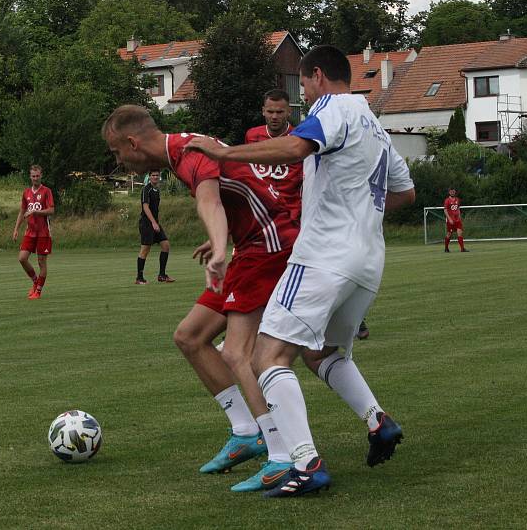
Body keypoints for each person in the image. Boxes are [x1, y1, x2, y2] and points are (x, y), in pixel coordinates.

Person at [186, 45, 416, 497]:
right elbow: (404, 192)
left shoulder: (333, 107)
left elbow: (294, 147)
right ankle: (378, 421)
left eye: (305, 85)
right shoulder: (375, 124)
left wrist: (225, 153)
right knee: (323, 354)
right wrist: (358, 214)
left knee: (266, 357)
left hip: (324, 255)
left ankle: (306, 464)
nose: (304, 97)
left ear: (317, 76)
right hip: (368, 260)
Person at [102, 105, 301, 493]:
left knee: (238, 354)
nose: (118, 161)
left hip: (268, 245)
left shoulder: (190, 152)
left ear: (132, 142)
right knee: (190, 336)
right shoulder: (182, 150)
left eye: (116, 153)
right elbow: (237, 192)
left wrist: (221, 251)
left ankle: (280, 454)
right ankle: (246, 431)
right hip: (256, 243)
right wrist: (221, 239)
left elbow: (209, 200)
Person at [12, 165, 54, 299]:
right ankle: (35, 281)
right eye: (33, 176)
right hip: (30, 232)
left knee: (42, 262)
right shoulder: (26, 193)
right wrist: (16, 229)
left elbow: (51, 210)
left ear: (41, 176)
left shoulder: (47, 191)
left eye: (37, 176)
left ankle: (38, 291)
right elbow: (22, 211)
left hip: (43, 233)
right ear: (30, 177)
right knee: (22, 258)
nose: (35, 178)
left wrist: (36, 212)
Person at [136, 170, 174, 284]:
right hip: (147, 224)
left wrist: (156, 222)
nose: (155, 177)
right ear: (149, 176)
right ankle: (139, 278)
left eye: (157, 175)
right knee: (145, 249)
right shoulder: (146, 189)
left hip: (155, 223)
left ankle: (162, 275)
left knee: (166, 245)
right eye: (153, 175)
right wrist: (153, 222)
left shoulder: (157, 190)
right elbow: (145, 207)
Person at [443, 187, 468, 253]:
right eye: (451, 192)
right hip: (451, 220)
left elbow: (458, 209)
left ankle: (462, 249)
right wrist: (449, 219)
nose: (452, 193)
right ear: (449, 192)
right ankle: (446, 248)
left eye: (453, 192)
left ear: (455, 192)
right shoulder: (447, 200)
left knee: (460, 233)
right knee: (449, 234)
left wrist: (459, 217)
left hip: (457, 220)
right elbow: (445, 210)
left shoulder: (457, 199)